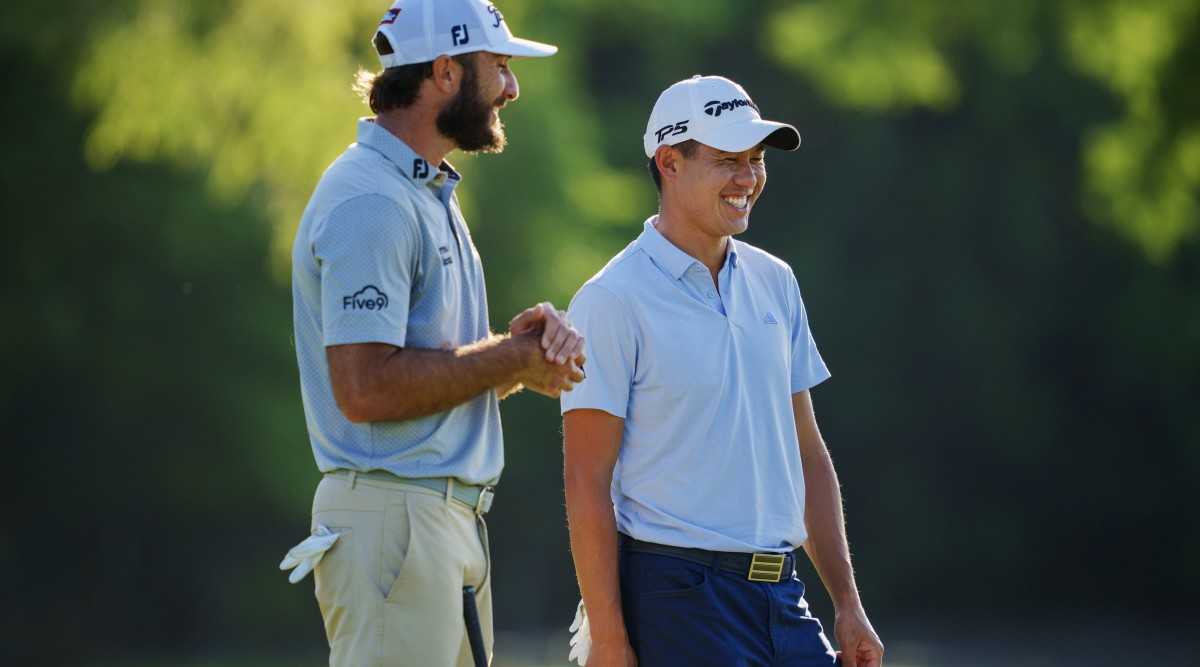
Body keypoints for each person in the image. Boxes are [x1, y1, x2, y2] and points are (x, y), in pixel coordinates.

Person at [282, 1, 584, 665]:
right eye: (499, 67)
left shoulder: (421, 192)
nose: (512, 88)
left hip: (435, 522)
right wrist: (509, 353)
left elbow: (426, 377)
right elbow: (364, 389)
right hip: (396, 519)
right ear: (445, 72)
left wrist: (514, 361)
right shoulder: (374, 200)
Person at [561, 75, 884, 667]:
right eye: (728, 160)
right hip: (675, 594)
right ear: (669, 162)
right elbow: (587, 478)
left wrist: (847, 602)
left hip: (780, 593)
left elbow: (805, 452)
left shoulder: (775, 281)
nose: (749, 179)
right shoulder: (611, 300)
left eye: (757, 161)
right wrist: (609, 638)